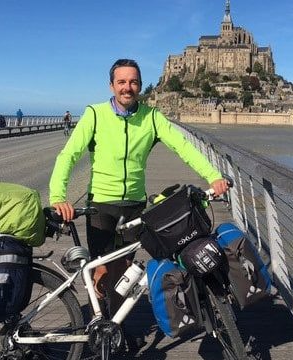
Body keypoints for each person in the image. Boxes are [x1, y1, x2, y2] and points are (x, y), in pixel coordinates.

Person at [49, 58, 229, 334]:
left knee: (126, 271)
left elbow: (183, 147)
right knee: (101, 271)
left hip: (134, 205)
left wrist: (213, 176)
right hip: (101, 206)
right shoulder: (95, 115)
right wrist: (58, 195)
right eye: (121, 82)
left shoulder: (152, 117)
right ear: (112, 85)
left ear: (140, 86)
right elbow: (68, 155)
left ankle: (116, 327)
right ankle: (101, 325)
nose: (127, 87)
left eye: (133, 82)